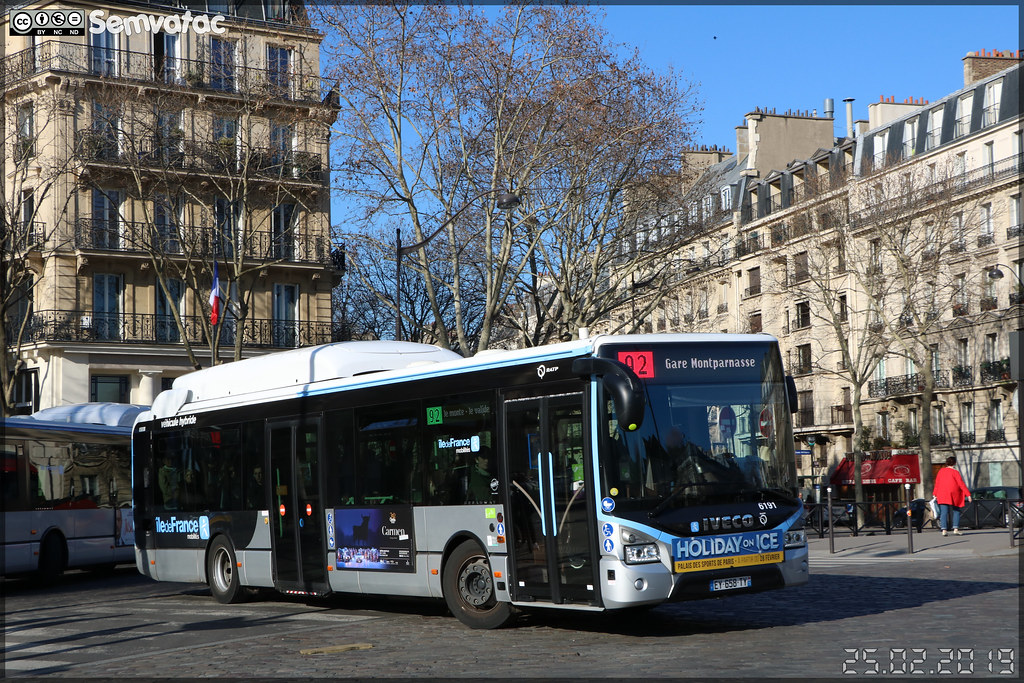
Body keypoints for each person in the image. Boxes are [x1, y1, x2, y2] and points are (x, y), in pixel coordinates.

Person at [933, 455, 972, 536]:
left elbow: (937, 483)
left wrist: (935, 493)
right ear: (954, 463)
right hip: (954, 494)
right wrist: (968, 494)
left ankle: (944, 529)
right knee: (956, 511)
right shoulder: (955, 472)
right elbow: (961, 484)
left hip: (942, 494)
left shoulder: (941, 471)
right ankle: (955, 528)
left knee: (944, 512)